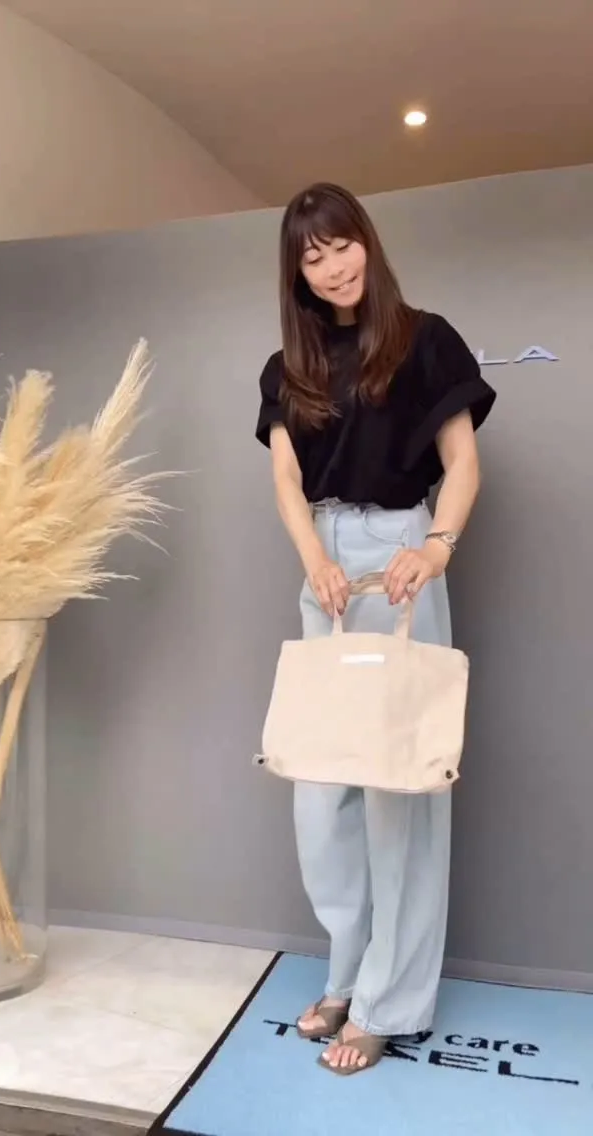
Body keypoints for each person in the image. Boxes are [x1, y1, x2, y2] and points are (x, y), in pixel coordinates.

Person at [255, 183, 496, 1076]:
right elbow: (287, 480)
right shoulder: (287, 367)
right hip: (325, 563)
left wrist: (435, 547)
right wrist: (312, 557)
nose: (332, 267)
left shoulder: (426, 339)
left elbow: (462, 462)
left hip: (403, 553)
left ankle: (388, 1003)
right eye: (311, 257)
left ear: (368, 241)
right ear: (297, 274)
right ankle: (347, 975)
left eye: (341, 245)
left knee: (401, 790)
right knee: (323, 792)